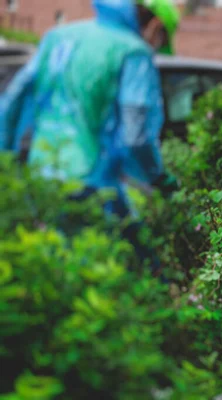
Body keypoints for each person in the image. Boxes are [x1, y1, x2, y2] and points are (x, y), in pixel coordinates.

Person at [0, 0, 180, 273]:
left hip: (42, 171)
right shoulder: (133, 53)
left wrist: (7, 158)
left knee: (50, 261)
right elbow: (136, 135)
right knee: (127, 266)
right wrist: (157, 177)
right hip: (91, 180)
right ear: (156, 24)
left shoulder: (59, 37)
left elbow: (14, 100)